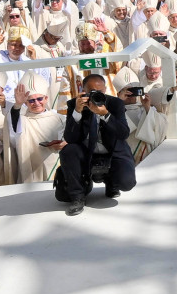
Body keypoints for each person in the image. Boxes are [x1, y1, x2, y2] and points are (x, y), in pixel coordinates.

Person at [55, 71, 136, 212]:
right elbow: (70, 138)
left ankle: (111, 182)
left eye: (100, 91)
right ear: (83, 91)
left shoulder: (115, 103)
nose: (96, 95)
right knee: (68, 150)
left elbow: (123, 133)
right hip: (87, 152)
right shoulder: (75, 104)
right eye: (92, 91)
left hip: (113, 151)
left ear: (105, 90)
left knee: (127, 183)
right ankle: (77, 196)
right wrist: (77, 112)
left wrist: (105, 114)